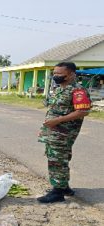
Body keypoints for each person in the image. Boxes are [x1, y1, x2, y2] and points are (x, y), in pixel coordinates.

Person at [37, 62, 91, 203]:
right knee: (60, 158)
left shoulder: (77, 90)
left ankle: (58, 193)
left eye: (60, 74)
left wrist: (58, 120)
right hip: (54, 131)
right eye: (55, 73)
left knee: (57, 161)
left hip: (64, 132)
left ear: (71, 74)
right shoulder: (60, 88)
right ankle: (64, 186)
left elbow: (82, 111)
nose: (56, 76)